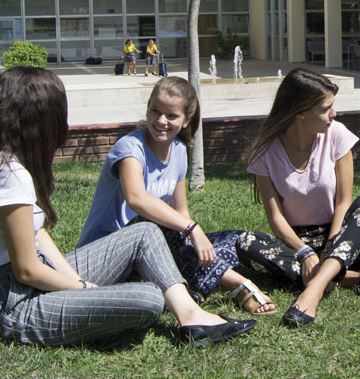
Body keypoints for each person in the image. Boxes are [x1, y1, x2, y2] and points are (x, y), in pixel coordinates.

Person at [0, 66, 255, 347]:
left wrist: (75, 280)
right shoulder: (9, 176)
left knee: (145, 232)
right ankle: (189, 313)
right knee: (149, 298)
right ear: (40, 119)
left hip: (26, 282)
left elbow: (38, 236)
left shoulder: (5, 163)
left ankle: (191, 316)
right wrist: (85, 291)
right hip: (13, 304)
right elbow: (28, 271)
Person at [78, 77, 278, 316]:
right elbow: (137, 199)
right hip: (106, 254)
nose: (161, 121)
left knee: (237, 239)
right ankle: (238, 285)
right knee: (156, 225)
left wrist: (194, 238)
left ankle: (301, 270)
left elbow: (180, 211)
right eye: (155, 112)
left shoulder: (180, 151)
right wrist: (192, 228)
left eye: (171, 116)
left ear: (186, 120)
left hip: (151, 247)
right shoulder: (130, 148)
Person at [240, 68, 360, 326]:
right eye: (326, 108)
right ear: (300, 112)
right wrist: (304, 252)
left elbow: (343, 201)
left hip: (342, 240)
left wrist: (330, 247)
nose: (333, 114)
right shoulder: (265, 151)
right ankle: (343, 278)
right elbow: (275, 217)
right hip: (297, 244)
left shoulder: (337, 134)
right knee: (245, 243)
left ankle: (314, 288)